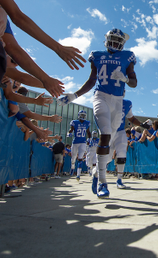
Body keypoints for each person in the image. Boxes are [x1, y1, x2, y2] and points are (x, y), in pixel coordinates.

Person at [58, 28, 137, 198]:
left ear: (122, 44)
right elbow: (92, 79)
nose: (115, 44)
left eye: (118, 41)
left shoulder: (128, 56)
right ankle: (103, 182)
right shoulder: (97, 55)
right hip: (100, 96)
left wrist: (124, 78)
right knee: (105, 133)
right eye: (112, 40)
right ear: (107, 39)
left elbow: (134, 82)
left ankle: (96, 172)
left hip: (117, 100)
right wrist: (75, 95)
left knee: (108, 147)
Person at [109, 99, 143, 189]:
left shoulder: (126, 103)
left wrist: (142, 124)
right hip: (109, 130)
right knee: (106, 157)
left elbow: (131, 118)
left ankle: (119, 179)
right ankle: (98, 174)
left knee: (122, 154)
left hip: (120, 131)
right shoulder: (106, 99)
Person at [67, 110, 91, 182]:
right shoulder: (74, 122)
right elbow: (71, 130)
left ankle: (78, 175)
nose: (83, 116)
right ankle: (72, 167)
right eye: (82, 115)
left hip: (83, 142)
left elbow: (88, 132)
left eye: (84, 115)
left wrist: (89, 139)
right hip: (75, 142)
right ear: (79, 115)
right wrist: (69, 133)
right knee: (73, 157)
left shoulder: (87, 123)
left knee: (80, 158)